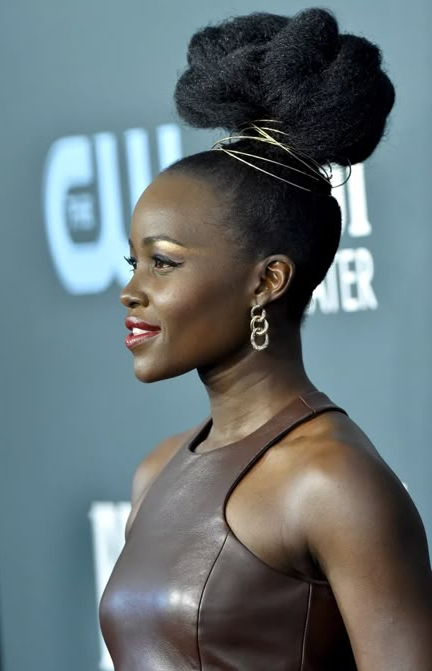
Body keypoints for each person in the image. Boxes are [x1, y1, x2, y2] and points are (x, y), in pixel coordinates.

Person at [100, 8, 432, 670]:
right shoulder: (156, 471)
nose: (131, 290)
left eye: (162, 262)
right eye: (132, 262)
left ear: (267, 281)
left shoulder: (333, 482)